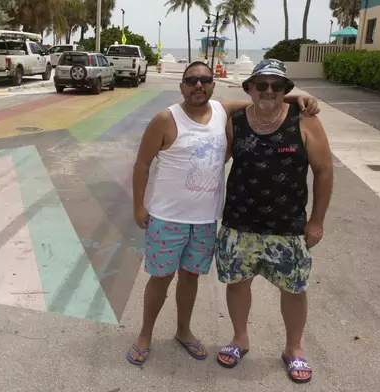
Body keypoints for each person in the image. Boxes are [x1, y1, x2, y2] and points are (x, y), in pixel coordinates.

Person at [127, 60, 320, 366]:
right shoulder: (165, 119)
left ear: (213, 85)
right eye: (191, 80)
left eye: (204, 79)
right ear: (182, 86)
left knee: (190, 279)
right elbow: (141, 164)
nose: (198, 85)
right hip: (167, 217)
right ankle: (145, 334)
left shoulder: (221, 111)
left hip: (205, 220)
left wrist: (296, 98)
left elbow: (262, 97)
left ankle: (184, 331)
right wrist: (139, 206)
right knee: (160, 279)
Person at [215, 59, 333, 384]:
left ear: (286, 89)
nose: (269, 90)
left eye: (277, 86)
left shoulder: (304, 120)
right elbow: (217, 134)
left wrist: (317, 221)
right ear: (249, 87)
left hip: (289, 225)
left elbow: (323, 171)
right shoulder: (235, 120)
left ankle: (293, 348)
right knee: (238, 285)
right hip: (240, 222)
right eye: (262, 84)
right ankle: (240, 338)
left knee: (294, 289)